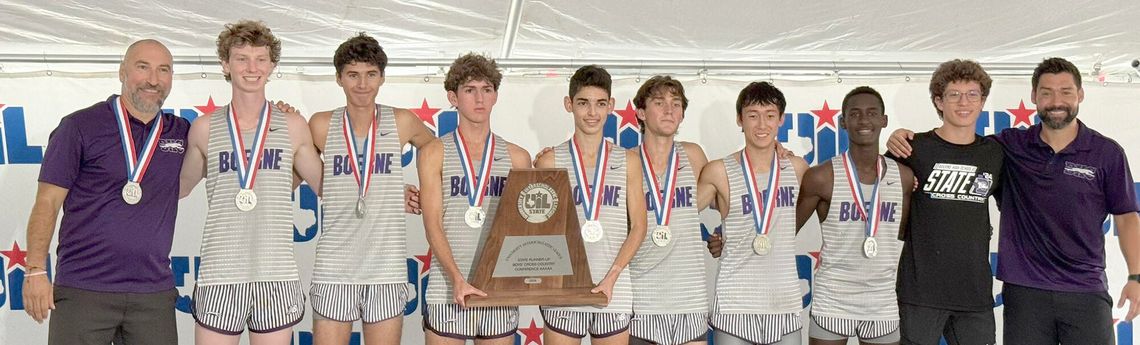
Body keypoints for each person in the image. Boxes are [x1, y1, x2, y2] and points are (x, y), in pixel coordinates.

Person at [889, 57, 1140, 345]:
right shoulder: (1009, 147)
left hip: (1085, 289)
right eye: (1046, 92)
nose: (1056, 100)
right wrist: (899, 138)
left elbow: (1127, 216)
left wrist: (1136, 276)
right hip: (1025, 291)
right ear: (1034, 97)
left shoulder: (1106, 153)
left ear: (1080, 95)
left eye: (1066, 91)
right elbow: (950, 150)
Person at [23, 39, 188, 345]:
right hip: (84, 290)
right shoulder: (80, 126)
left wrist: (282, 116)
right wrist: (34, 270)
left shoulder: (182, 133)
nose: (153, 79)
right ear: (122, 71)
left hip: (152, 294)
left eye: (163, 70)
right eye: (143, 67)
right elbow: (47, 202)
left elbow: (237, 142)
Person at [179, 19, 323, 345]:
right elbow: (180, 187)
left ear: (272, 65)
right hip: (220, 274)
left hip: (276, 274)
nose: (252, 67)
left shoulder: (293, 125)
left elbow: (324, 185)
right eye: (242, 58)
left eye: (260, 59)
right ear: (225, 64)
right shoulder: (204, 128)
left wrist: (385, 190)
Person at [305, 32, 436, 345]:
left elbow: (437, 152)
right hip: (334, 269)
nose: (362, 85)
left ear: (382, 78)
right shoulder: (321, 124)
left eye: (370, 75)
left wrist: (416, 187)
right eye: (353, 75)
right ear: (339, 79)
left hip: (386, 269)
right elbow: (300, 173)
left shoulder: (402, 121)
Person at [416, 53, 533, 345]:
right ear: (453, 97)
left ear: (495, 96)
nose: (479, 98)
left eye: (487, 89)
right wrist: (457, 277)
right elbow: (433, 225)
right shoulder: (434, 152)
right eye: (470, 90)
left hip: (499, 288)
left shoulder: (518, 158)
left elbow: (527, 230)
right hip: (448, 286)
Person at [885, 59, 1003, 345]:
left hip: (974, 294)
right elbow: (872, 191)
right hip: (920, 293)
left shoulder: (995, 153)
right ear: (939, 101)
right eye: (954, 94)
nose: (964, 102)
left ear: (983, 100)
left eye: (973, 94)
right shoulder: (912, 148)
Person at [533, 65, 647, 345]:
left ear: (611, 106)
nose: (592, 113)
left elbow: (639, 227)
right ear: (569, 104)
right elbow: (539, 230)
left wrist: (612, 276)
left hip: (613, 290)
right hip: (563, 290)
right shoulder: (551, 161)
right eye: (583, 103)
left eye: (600, 104)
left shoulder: (628, 161)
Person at [796, 86, 913, 345]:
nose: (864, 120)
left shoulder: (903, 177)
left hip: (881, 300)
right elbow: (785, 229)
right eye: (855, 114)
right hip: (833, 297)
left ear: (884, 121)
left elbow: (902, 234)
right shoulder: (821, 177)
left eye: (872, 113)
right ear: (842, 122)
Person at [696, 81, 809, 345]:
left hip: (784, 302)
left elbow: (836, 205)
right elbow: (680, 213)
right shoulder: (718, 171)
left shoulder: (797, 168)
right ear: (739, 120)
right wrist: (716, 236)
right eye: (753, 116)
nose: (761, 125)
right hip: (735, 303)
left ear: (781, 120)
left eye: (770, 116)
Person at [625, 75, 712, 345]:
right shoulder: (624, 162)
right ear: (640, 112)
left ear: (683, 113)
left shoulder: (694, 155)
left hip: (690, 300)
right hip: (642, 299)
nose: (669, 110)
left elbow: (729, 196)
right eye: (659, 102)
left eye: (676, 104)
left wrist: (776, 151)